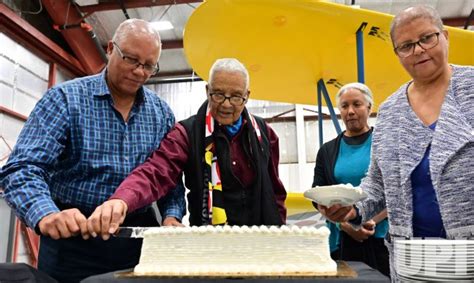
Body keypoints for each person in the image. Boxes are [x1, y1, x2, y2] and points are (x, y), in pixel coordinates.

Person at [0, 19, 185, 283]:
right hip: (73, 240)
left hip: (137, 240)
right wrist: (45, 213)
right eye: (131, 59)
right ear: (111, 48)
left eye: (148, 66)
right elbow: (22, 167)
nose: (139, 72)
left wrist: (171, 215)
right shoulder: (65, 99)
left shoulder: (161, 114)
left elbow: (170, 179)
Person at [319, 5, 474, 280]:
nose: (418, 50)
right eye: (406, 45)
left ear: (446, 36)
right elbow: (377, 183)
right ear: (397, 53)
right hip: (410, 261)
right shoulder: (390, 111)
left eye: (427, 38)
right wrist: (352, 208)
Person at [87, 58, 287, 237]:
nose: (227, 105)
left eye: (236, 97)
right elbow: (155, 172)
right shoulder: (186, 133)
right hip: (207, 241)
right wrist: (122, 200)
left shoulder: (265, 134)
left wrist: (282, 231)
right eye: (218, 94)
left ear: (247, 95)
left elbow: (276, 191)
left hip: (262, 238)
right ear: (207, 90)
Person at [312, 82, 389, 276]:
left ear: (370, 107)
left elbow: (397, 191)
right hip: (341, 238)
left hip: (381, 236)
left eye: (357, 104)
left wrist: (370, 220)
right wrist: (344, 224)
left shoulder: (384, 145)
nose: (351, 111)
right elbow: (317, 195)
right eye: (345, 106)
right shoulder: (327, 151)